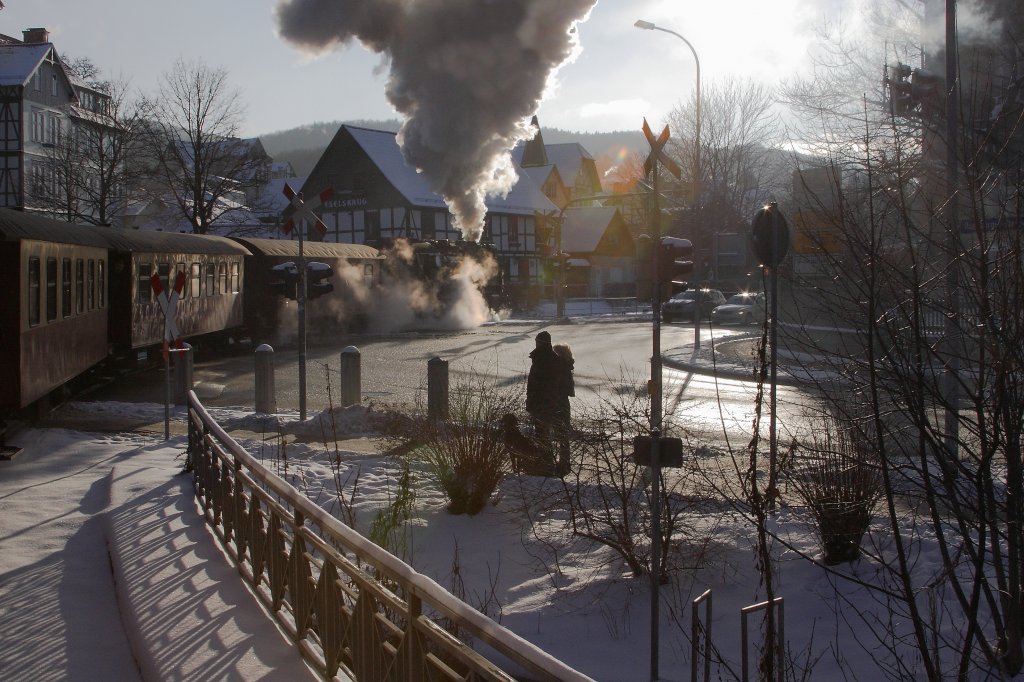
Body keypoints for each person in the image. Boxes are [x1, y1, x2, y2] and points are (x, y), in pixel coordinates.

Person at [525, 331, 564, 445]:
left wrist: (532, 400)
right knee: (544, 434)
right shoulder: (552, 358)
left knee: (541, 435)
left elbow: (537, 383)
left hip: (541, 402)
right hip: (549, 401)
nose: (536, 344)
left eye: (537, 342)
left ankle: (544, 459)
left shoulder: (541, 358)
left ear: (540, 343)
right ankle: (545, 458)